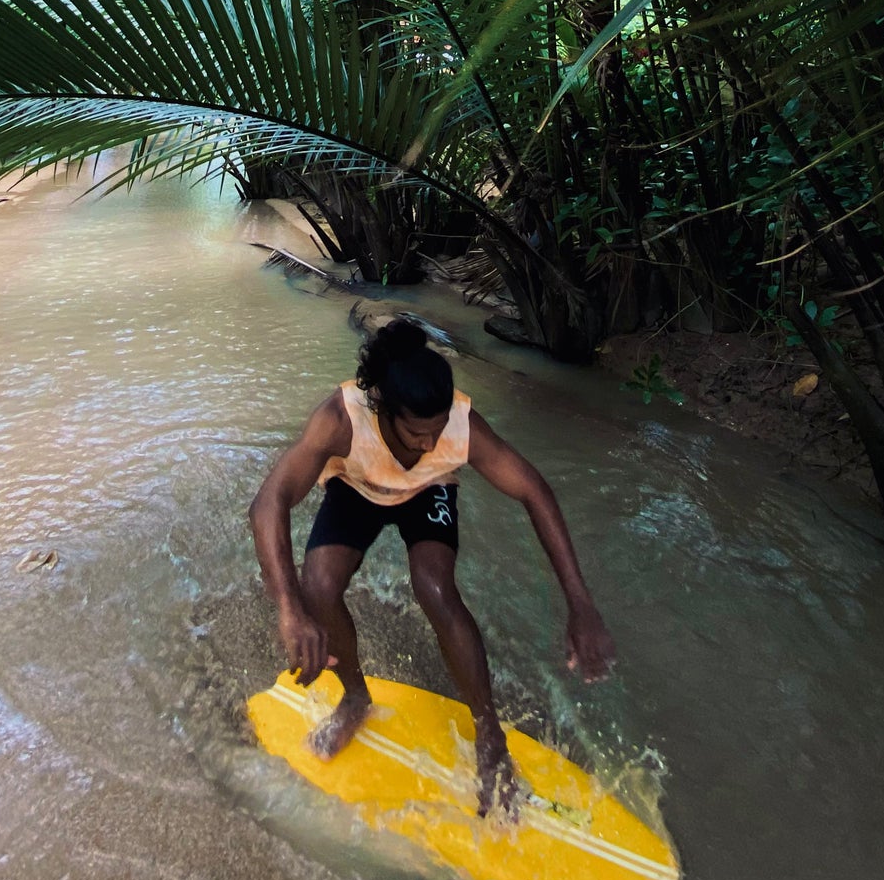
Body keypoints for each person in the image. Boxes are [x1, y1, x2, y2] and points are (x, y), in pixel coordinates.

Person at [248, 318, 615, 814]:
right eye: (417, 433)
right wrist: (289, 608)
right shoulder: (339, 420)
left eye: (438, 430)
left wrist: (580, 603)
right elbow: (269, 502)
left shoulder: (458, 426)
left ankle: (489, 733)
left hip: (429, 491)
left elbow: (534, 490)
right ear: (382, 404)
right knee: (318, 585)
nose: (429, 444)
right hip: (357, 488)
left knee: (434, 588)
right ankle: (355, 697)